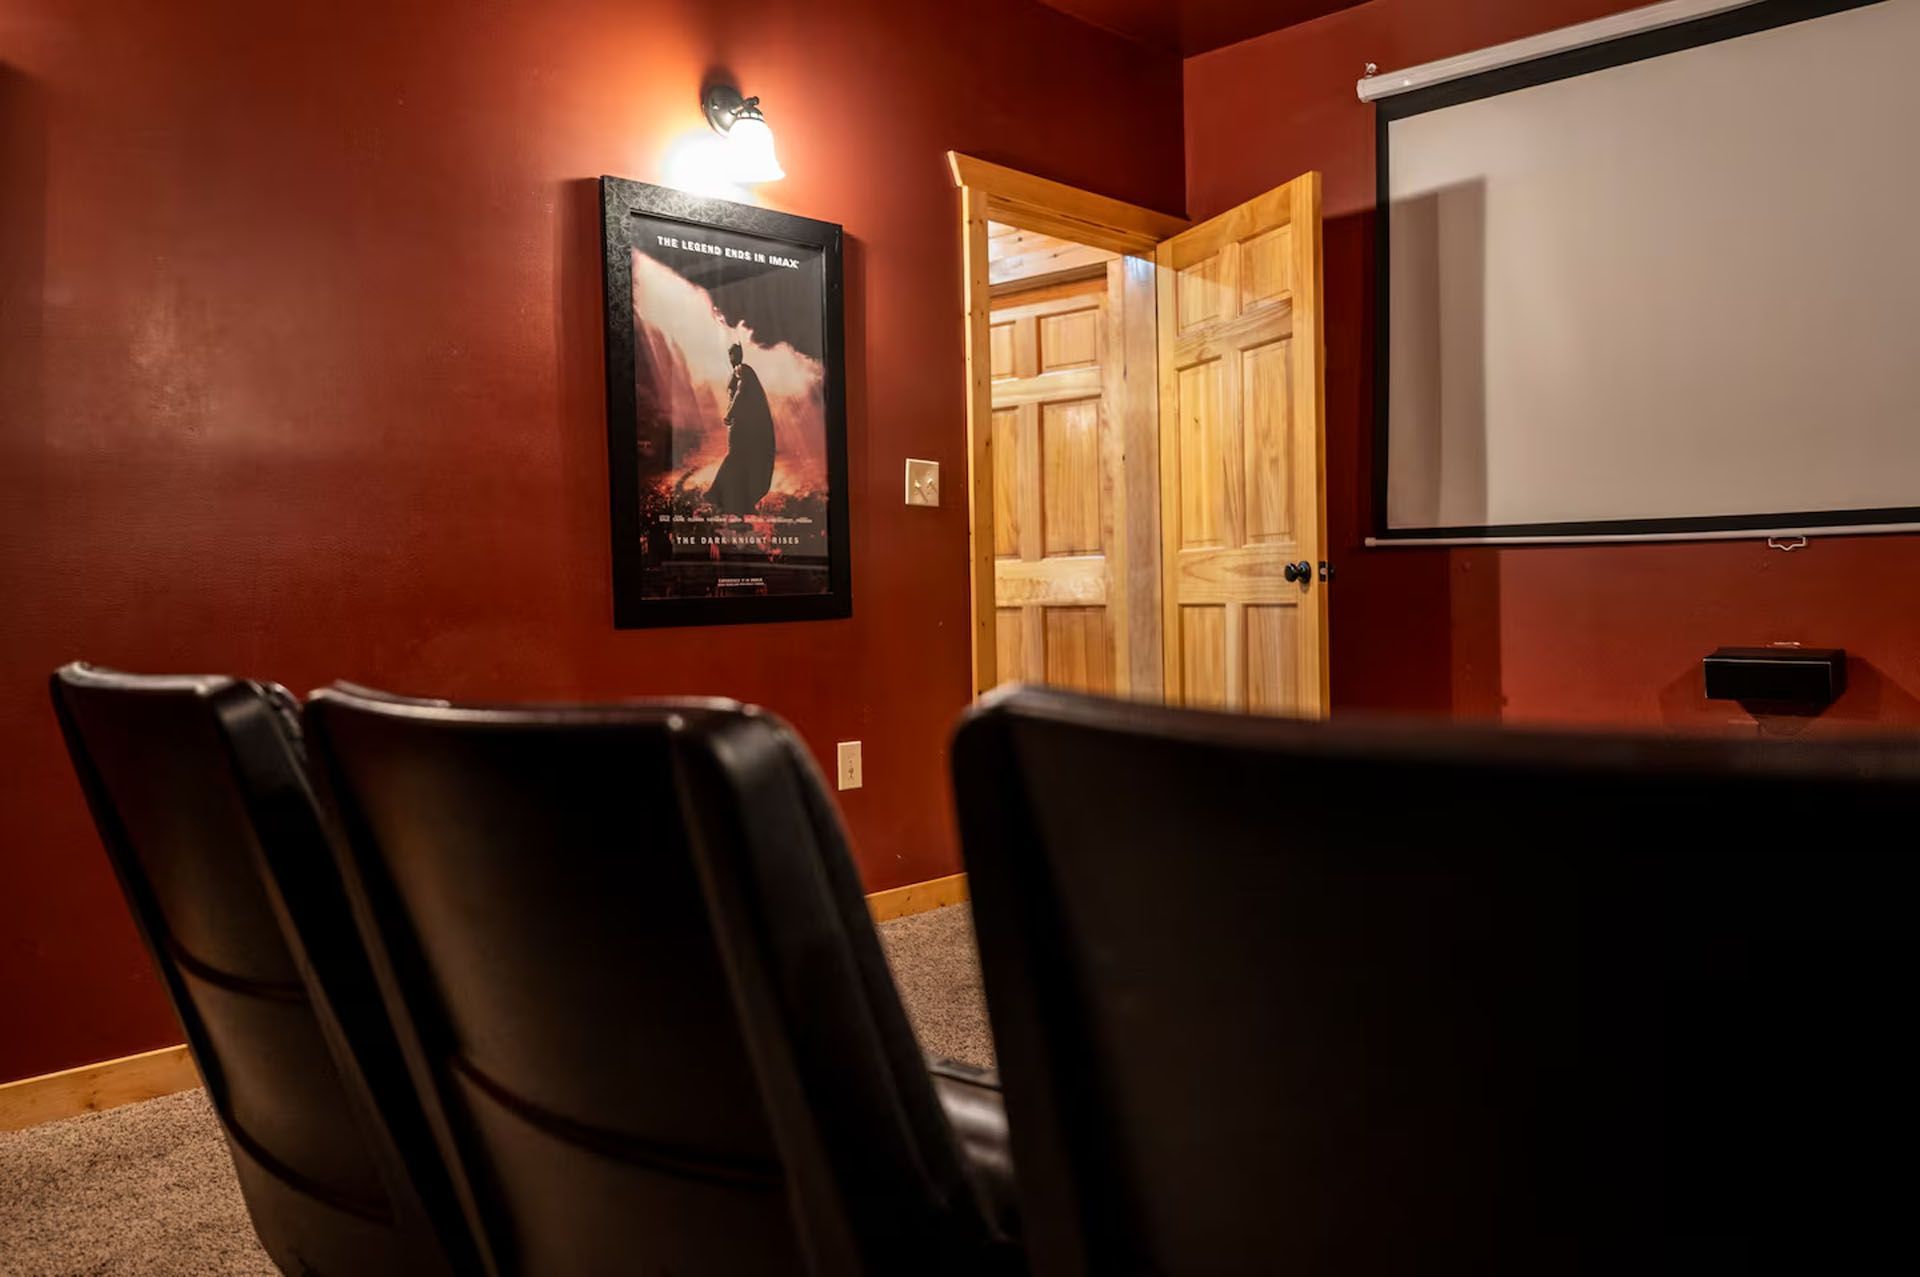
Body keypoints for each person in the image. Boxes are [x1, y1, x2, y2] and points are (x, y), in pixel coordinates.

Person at [707, 340, 776, 514]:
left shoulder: (741, 370)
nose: (731, 358)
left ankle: (717, 494)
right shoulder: (741, 371)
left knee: (736, 457)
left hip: (740, 425)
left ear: (736, 355)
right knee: (740, 459)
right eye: (730, 354)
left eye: (732, 354)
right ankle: (730, 498)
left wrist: (730, 413)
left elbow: (740, 391)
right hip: (740, 425)